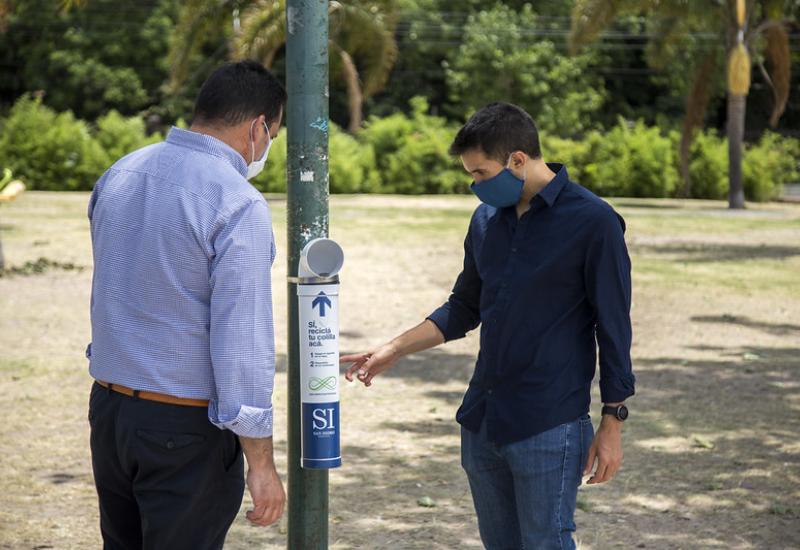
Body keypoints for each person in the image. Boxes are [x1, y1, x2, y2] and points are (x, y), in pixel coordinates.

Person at [341, 102, 635, 549]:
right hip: (482, 422)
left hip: (549, 424)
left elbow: (614, 329)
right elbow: (464, 306)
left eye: (480, 173)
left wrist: (612, 423)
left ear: (518, 160)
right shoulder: (486, 220)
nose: (474, 185)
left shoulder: (594, 222)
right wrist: (393, 349)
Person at [86, 60, 286, 549]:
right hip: (184, 429)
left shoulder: (120, 172)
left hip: (110, 411)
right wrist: (261, 462)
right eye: (274, 135)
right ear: (259, 127)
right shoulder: (237, 201)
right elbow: (241, 342)